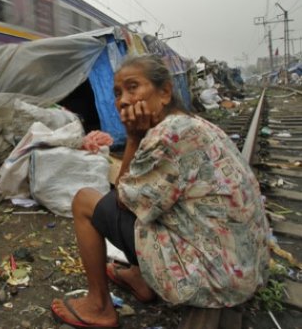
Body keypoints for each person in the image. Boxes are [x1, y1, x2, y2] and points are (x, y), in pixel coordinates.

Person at [50, 54, 270, 328]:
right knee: (152, 205)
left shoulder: (166, 136)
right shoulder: (191, 123)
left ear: (164, 92)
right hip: (239, 271)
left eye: (133, 87)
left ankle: (99, 306)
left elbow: (123, 200)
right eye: (118, 93)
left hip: (215, 279)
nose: (124, 101)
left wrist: (132, 136)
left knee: (85, 201)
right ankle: (141, 278)